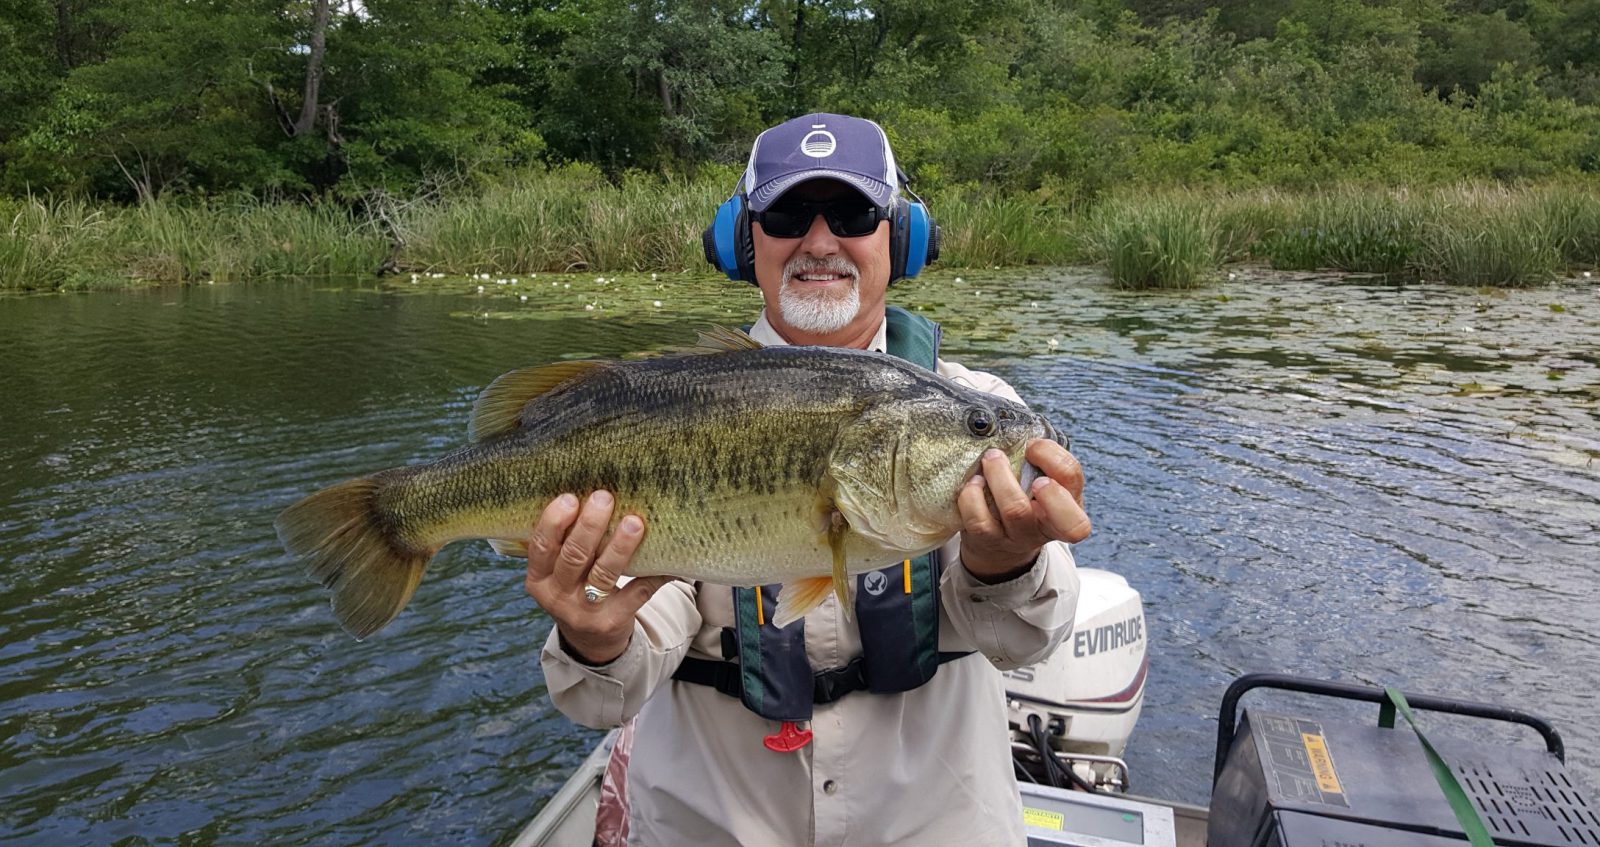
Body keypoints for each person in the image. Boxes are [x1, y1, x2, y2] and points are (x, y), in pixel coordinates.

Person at [526, 113, 1091, 846]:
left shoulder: (974, 411)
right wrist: (594, 637)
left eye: (853, 213)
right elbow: (612, 685)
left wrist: (1005, 563)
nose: (819, 241)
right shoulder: (677, 408)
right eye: (789, 214)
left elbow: (1028, 640)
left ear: (902, 236)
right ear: (743, 240)